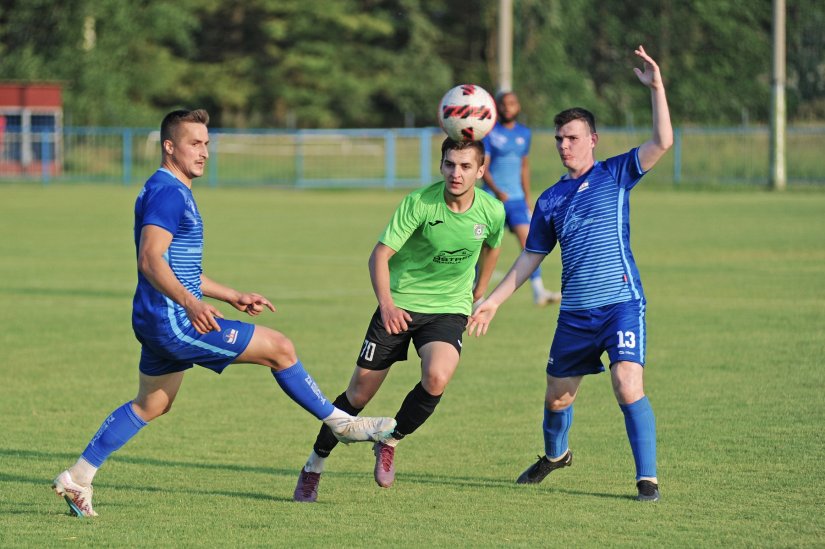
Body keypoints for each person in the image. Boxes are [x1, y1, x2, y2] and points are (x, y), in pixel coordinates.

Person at [51, 109, 396, 518]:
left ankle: (79, 476)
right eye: (194, 143)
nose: (204, 153)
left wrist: (230, 294)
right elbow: (150, 259)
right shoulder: (168, 192)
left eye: (207, 144)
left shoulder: (168, 188)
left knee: (152, 404)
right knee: (280, 348)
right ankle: (341, 422)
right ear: (169, 146)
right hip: (173, 320)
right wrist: (192, 303)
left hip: (156, 317)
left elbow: (180, 267)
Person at [468, 46, 672, 502]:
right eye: (559, 139)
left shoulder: (616, 173)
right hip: (575, 315)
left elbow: (662, 143)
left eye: (573, 138)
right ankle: (556, 455)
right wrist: (493, 302)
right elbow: (529, 258)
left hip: (620, 303)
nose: (565, 145)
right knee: (558, 398)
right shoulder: (550, 200)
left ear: (593, 140)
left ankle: (647, 481)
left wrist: (657, 88)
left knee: (627, 382)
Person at [293, 137, 505, 503]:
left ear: (481, 171)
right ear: (441, 166)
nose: (457, 173)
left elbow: (493, 245)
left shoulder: (491, 210)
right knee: (358, 394)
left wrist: (479, 292)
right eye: (450, 164)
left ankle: (389, 439)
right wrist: (387, 305)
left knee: (438, 375)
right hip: (400, 304)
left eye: (466, 166)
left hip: (447, 309)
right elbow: (379, 256)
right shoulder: (420, 203)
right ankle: (314, 465)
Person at [482, 91, 560, 306]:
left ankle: (539, 291)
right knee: (484, 246)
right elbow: (483, 167)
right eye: (503, 104)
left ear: (518, 107)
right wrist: (497, 190)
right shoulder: (489, 133)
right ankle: (476, 296)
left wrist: (527, 197)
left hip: (516, 199)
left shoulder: (524, 133)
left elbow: (524, 166)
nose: (508, 107)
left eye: (512, 103)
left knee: (529, 243)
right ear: (497, 107)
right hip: (491, 199)